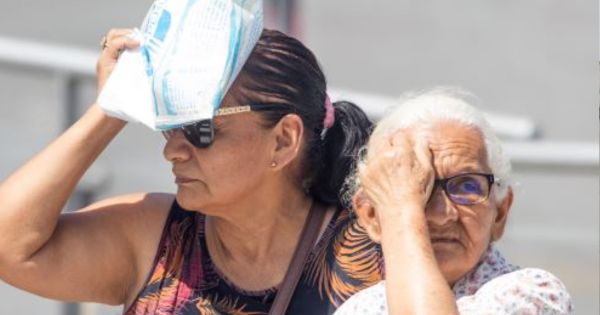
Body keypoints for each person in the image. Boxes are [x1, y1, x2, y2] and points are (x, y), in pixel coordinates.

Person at [0, 28, 383, 314]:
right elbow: (10, 248)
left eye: (201, 129)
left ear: (283, 140)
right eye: (169, 125)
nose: (172, 150)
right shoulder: (156, 239)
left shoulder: (378, 251)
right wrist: (108, 110)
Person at [334, 89, 574, 315]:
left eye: (467, 186)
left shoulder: (533, 293)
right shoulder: (360, 308)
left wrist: (402, 211)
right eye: (419, 190)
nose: (441, 214)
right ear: (372, 217)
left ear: (500, 212)